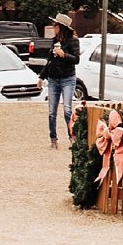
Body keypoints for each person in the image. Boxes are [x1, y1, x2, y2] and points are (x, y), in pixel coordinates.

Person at [42, 13, 80, 149]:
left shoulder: (73, 41)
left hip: (67, 78)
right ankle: (53, 139)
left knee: (67, 109)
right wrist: (41, 76)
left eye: (55, 25)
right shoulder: (54, 41)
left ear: (61, 27)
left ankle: (72, 137)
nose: (53, 27)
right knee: (52, 111)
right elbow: (49, 62)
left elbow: (76, 59)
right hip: (53, 79)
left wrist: (64, 55)